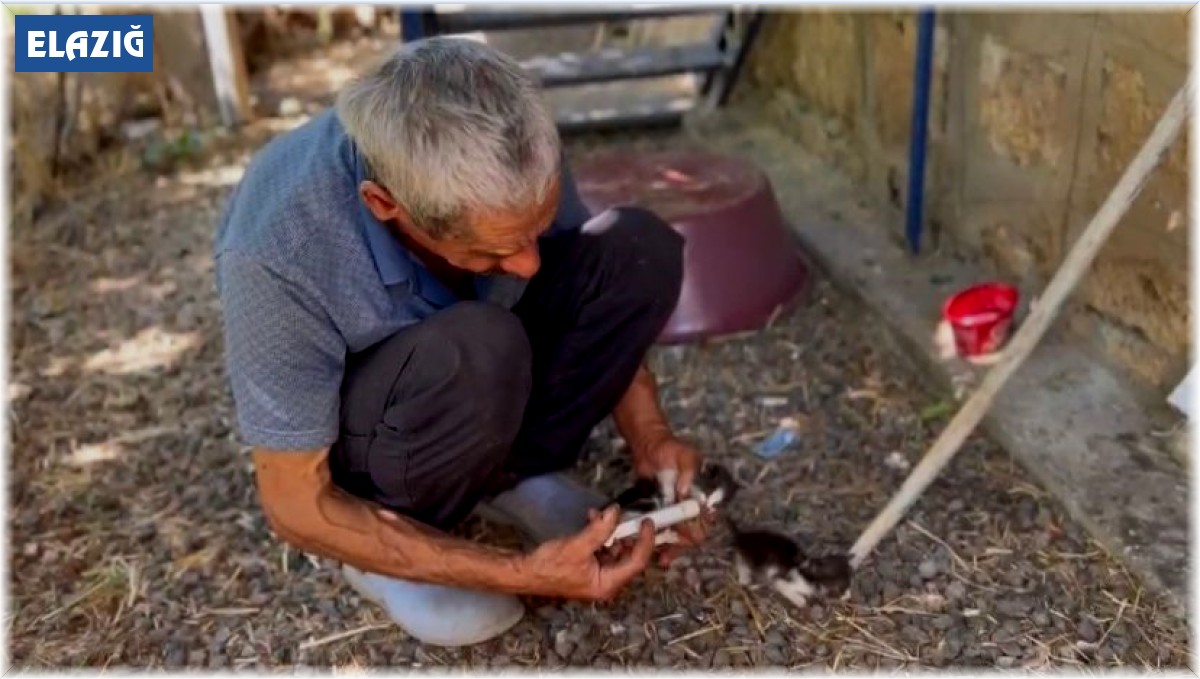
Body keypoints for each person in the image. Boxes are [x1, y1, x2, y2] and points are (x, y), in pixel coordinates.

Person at [213, 36, 708, 647]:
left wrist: (650, 434)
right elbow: (295, 503)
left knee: (635, 250)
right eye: (496, 249)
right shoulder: (276, 250)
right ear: (384, 204)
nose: (528, 265)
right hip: (383, 437)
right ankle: (390, 550)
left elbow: (578, 275)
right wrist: (518, 573)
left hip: (476, 368)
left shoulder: (508, 135)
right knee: (478, 345)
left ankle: (513, 476)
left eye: (533, 229)